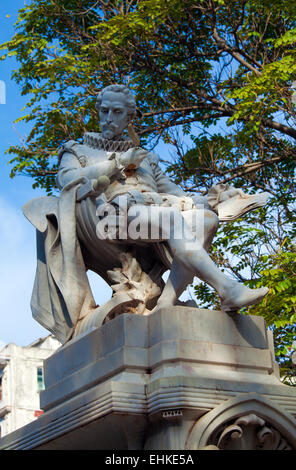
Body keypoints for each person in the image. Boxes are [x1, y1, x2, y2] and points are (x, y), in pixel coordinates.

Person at [23, 84, 268, 343]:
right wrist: (115, 164)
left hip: (152, 216)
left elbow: (177, 194)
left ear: (129, 117)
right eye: (104, 111)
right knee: (172, 219)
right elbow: (66, 180)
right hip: (108, 218)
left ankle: (166, 305)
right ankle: (227, 288)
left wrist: (215, 198)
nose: (108, 118)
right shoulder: (77, 151)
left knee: (207, 221)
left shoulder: (147, 159)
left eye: (116, 112)